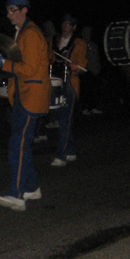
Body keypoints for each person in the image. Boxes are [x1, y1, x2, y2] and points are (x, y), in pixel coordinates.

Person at [0, 0, 50, 211]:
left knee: (17, 144)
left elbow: (31, 68)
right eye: (7, 11)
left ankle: (16, 194)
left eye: (13, 10)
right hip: (24, 96)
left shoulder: (31, 34)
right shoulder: (22, 33)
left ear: (24, 10)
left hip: (31, 96)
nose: (9, 14)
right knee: (21, 142)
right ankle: (32, 187)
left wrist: (4, 64)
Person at [50, 14, 87, 166]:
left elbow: (83, 67)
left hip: (70, 84)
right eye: (64, 23)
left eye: (68, 24)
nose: (65, 25)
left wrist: (76, 67)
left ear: (74, 27)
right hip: (55, 83)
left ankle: (61, 155)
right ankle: (70, 150)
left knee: (65, 120)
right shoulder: (55, 41)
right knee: (63, 119)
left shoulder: (79, 43)